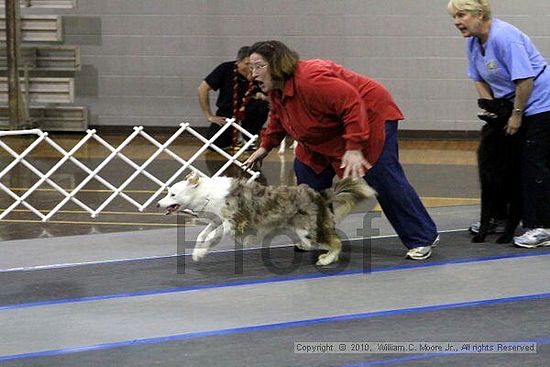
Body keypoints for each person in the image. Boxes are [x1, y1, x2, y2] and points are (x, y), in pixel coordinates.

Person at [243, 40, 439, 260]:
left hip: (370, 117)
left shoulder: (311, 79)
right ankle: (319, 234)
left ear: (277, 64)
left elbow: (353, 105)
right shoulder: (276, 89)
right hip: (323, 131)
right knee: (308, 174)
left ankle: (421, 237)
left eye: (258, 66)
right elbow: (279, 117)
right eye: (251, 68)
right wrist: (265, 146)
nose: (253, 74)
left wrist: (354, 147)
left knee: (381, 176)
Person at [448, 0, 550, 248]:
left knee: (532, 163)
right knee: (508, 165)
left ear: (479, 14)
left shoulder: (505, 37)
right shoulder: (473, 42)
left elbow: (525, 80)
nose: (456, 22)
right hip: (512, 103)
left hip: (540, 103)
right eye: (454, 17)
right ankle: (503, 218)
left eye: (461, 15)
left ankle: (542, 227)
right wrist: (492, 109)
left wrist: (515, 115)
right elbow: (479, 79)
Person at [198, 46, 269, 149]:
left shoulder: (259, 72)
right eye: (247, 64)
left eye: (253, 65)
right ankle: (231, 139)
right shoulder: (225, 68)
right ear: (238, 62)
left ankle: (247, 137)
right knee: (214, 145)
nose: (251, 68)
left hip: (249, 112)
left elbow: (273, 96)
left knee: (262, 106)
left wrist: (263, 97)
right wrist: (209, 115)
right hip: (228, 112)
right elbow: (202, 89)